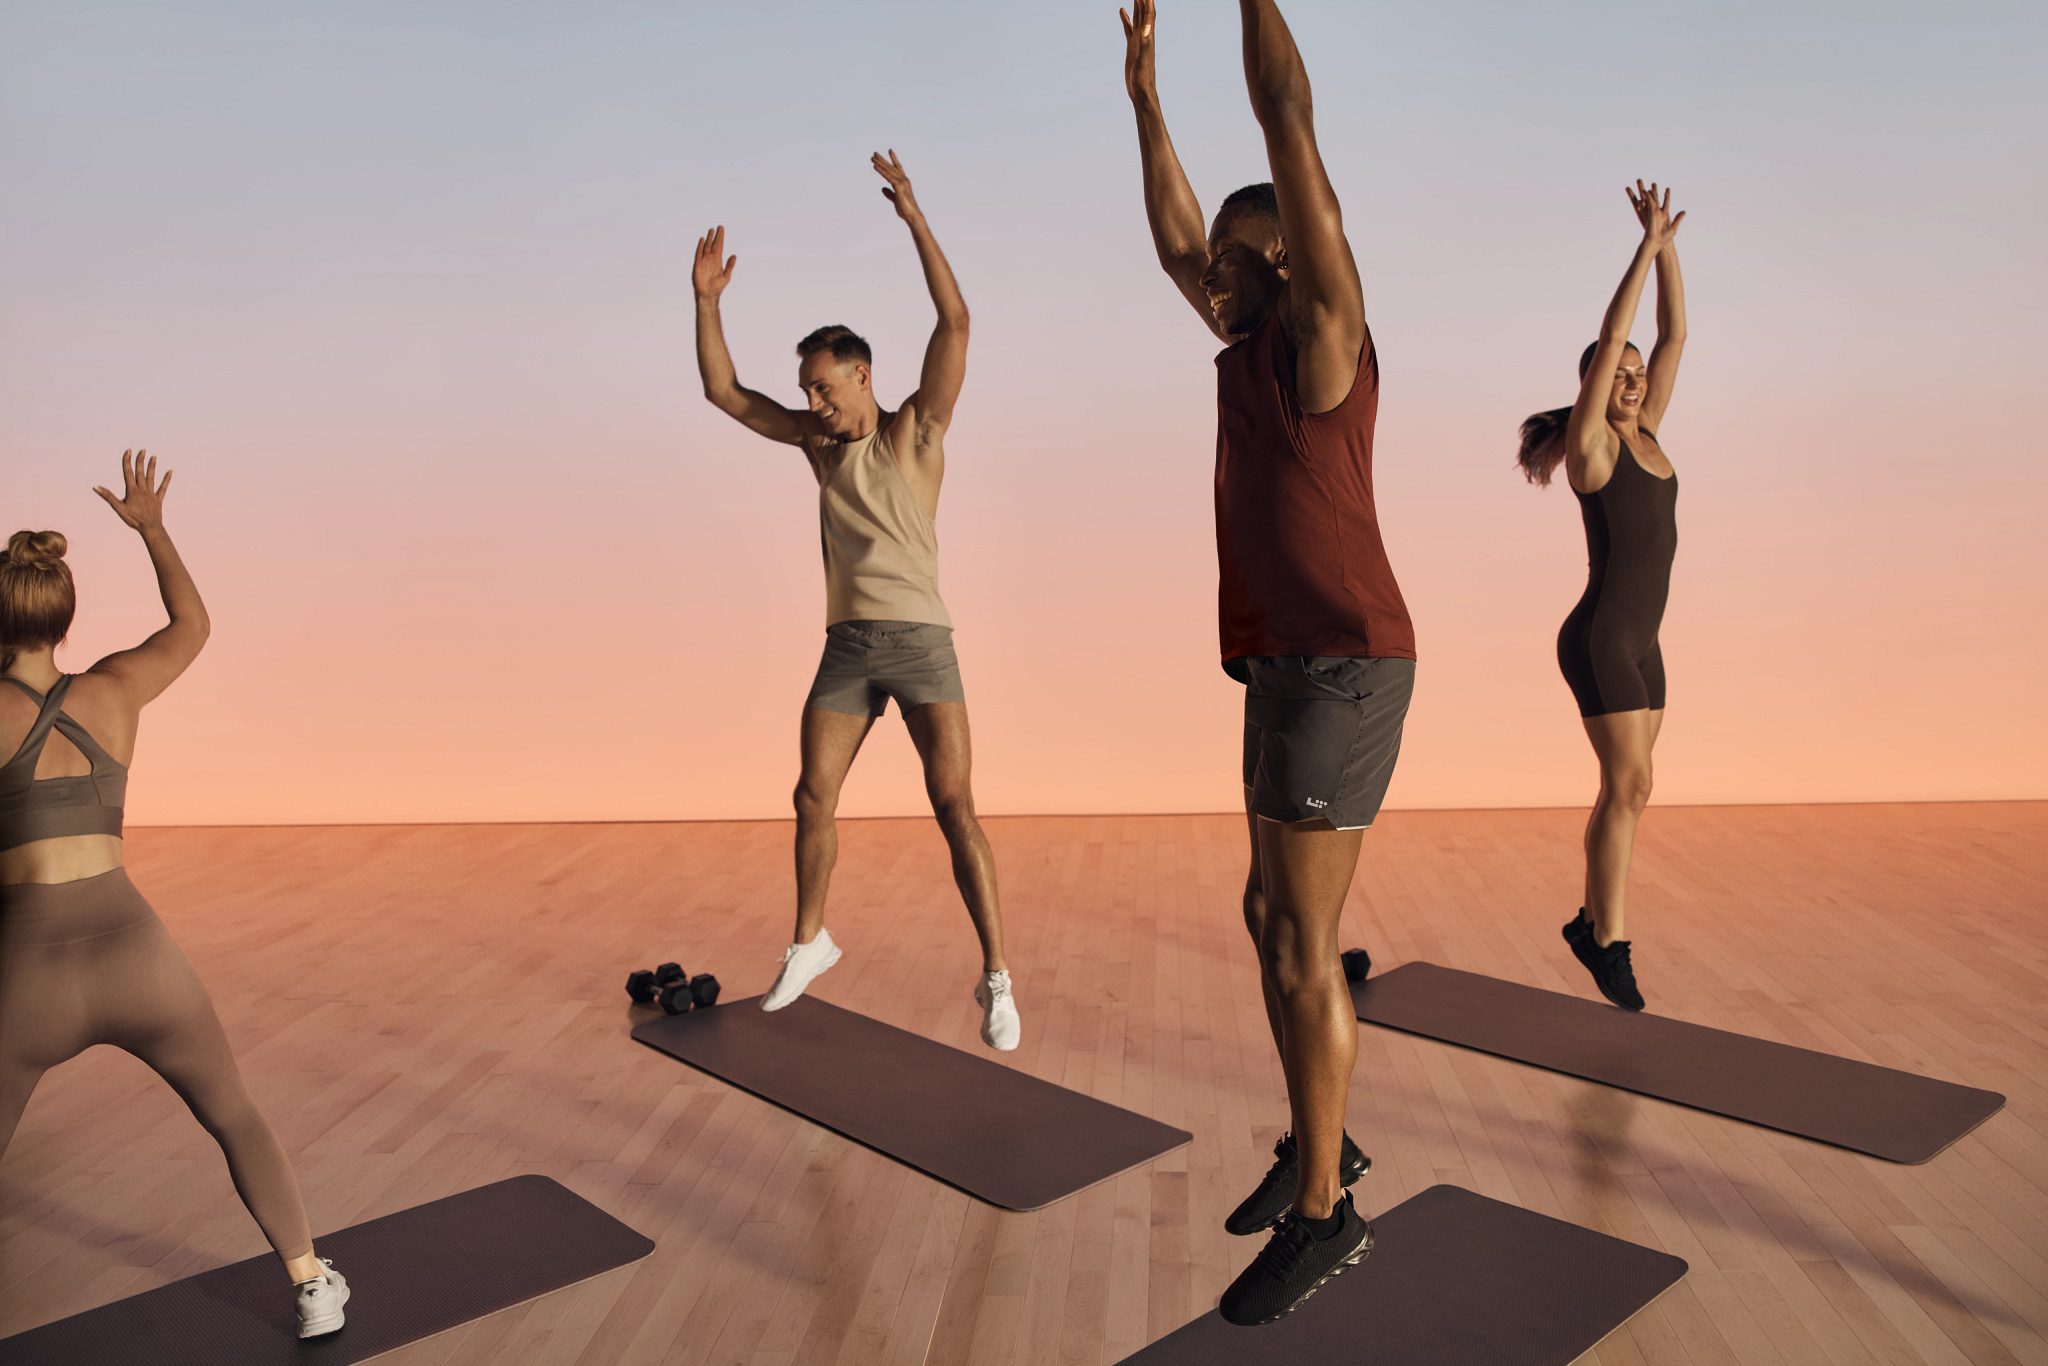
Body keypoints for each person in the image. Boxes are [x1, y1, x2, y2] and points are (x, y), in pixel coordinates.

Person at [1123, 0, 1411, 1324]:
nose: (1207, 278)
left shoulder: (1323, 339)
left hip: (1344, 660)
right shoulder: (1243, 345)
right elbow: (1182, 238)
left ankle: (1327, 1212)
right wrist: (1144, 100)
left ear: (1291, 254)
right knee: (1267, 921)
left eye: (1236, 262)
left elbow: (1288, 115)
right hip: (1283, 667)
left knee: (1305, 939)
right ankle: (1320, 1138)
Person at [0, 451, 348, 1338]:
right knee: (232, 1112)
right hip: (136, 953)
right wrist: (153, 528)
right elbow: (190, 624)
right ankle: (310, 1282)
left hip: (26, 978)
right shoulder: (116, 689)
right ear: (65, 617)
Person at [692, 152, 1020, 1050]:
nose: (812, 402)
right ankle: (811, 940)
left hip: (920, 644)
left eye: (824, 388)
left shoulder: (917, 428)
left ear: (863, 379)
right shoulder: (817, 445)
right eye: (806, 390)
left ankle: (996, 976)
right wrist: (708, 304)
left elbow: (955, 319)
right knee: (811, 796)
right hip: (847, 645)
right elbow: (724, 393)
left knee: (954, 805)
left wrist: (915, 215)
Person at [1515, 183, 1687, 1013]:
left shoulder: (1648, 431)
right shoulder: (1592, 451)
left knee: (1634, 788)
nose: (1631, 377)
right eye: (1615, 375)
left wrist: (1670, 247)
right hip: (1600, 639)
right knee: (1628, 787)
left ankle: (1590, 924)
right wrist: (1640, 252)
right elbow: (1623, 332)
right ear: (1588, 386)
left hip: (1641, 643)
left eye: (1636, 375)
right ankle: (1607, 939)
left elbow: (1670, 332)